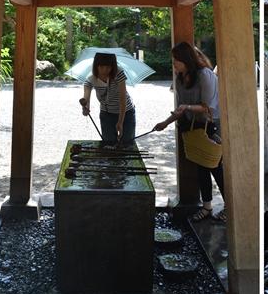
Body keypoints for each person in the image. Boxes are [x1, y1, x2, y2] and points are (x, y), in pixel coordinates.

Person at [154, 42, 227, 223]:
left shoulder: (205, 75)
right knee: (200, 166)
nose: (174, 64)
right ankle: (207, 206)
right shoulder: (179, 78)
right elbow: (180, 109)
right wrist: (165, 123)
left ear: (187, 60)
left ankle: (230, 206)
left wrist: (187, 107)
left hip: (209, 126)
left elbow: (208, 107)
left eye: (176, 60)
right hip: (191, 126)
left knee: (215, 166)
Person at [79, 52, 136, 145]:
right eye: (101, 66)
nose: (105, 70)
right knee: (109, 144)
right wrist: (85, 108)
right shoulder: (91, 78)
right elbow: (86, 97)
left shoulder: (118, 73)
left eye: (108, 67)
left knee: (127, 144)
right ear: (96, 65)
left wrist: (120, 122)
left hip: (126, 112)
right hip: (106, 114)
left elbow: (123, 99)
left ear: (113, 66)